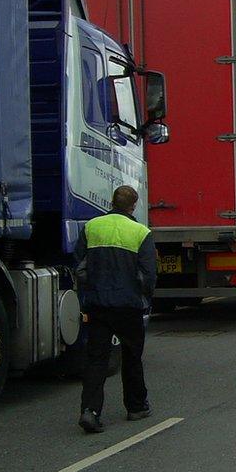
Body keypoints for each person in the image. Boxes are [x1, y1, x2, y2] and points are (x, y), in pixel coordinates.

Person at [74, 185, 157, 433]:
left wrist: (90, 291)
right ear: (133, 206)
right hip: (128, 305)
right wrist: (144, 297)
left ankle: (90, 411)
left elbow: (80, 266)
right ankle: (136, 406)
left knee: (96, 359)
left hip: (98, 303)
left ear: (111, 202)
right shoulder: (141, 232)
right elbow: (148, 276)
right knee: (131, 356)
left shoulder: (92, 227)